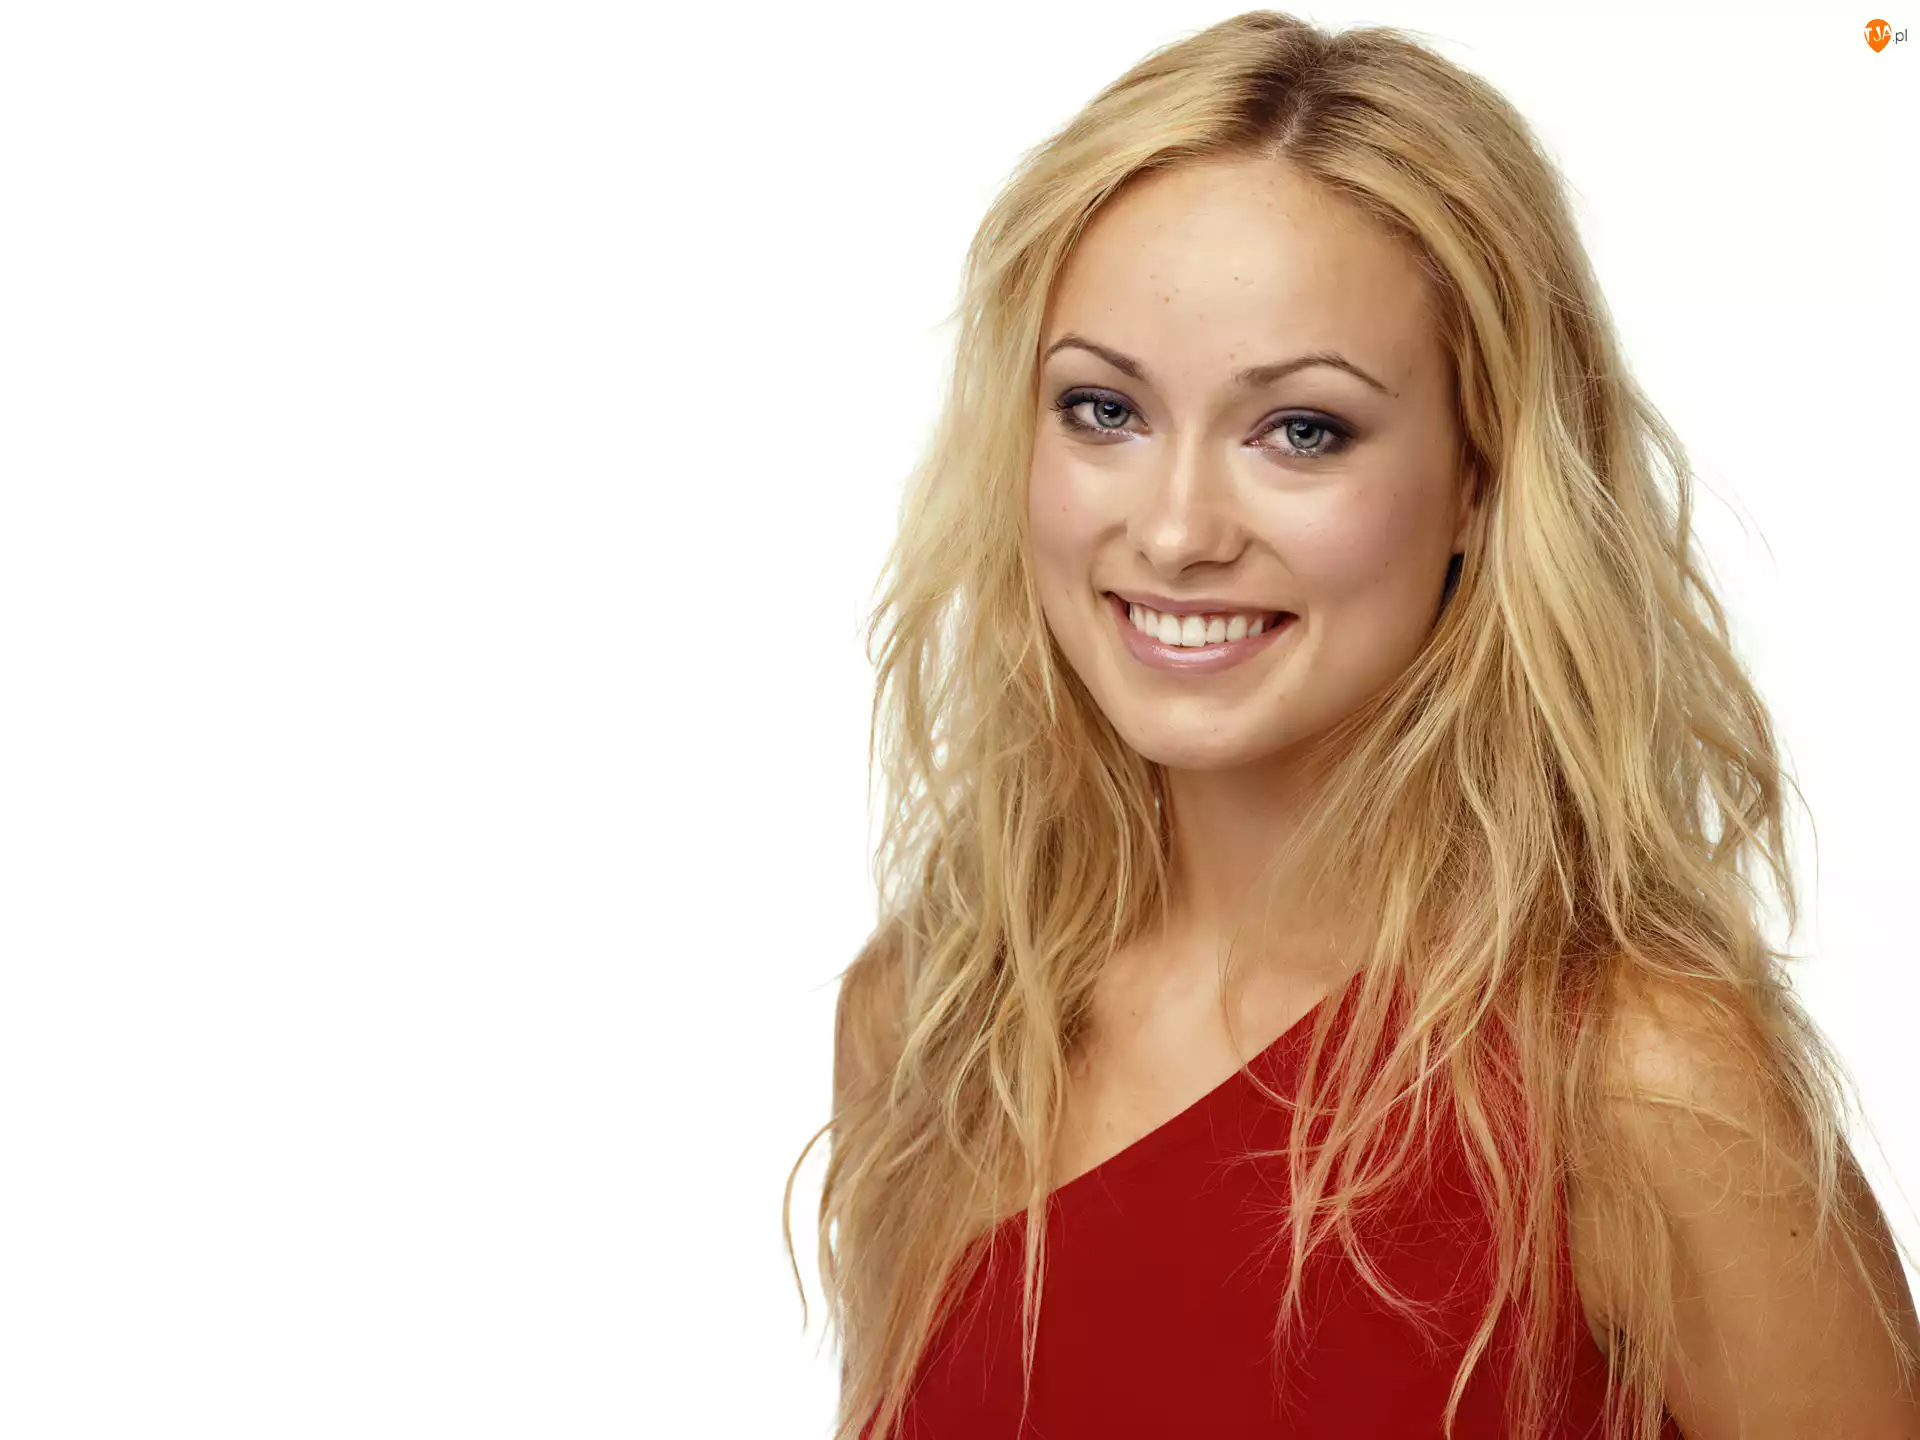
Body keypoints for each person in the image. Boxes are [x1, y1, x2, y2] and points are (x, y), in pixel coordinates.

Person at [783, 12, 1920, 1439]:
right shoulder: (936, 1023)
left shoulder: (1637, 1084)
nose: (1178, 530)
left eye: (1302, 431)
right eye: (1103, 410)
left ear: (1482, 481)